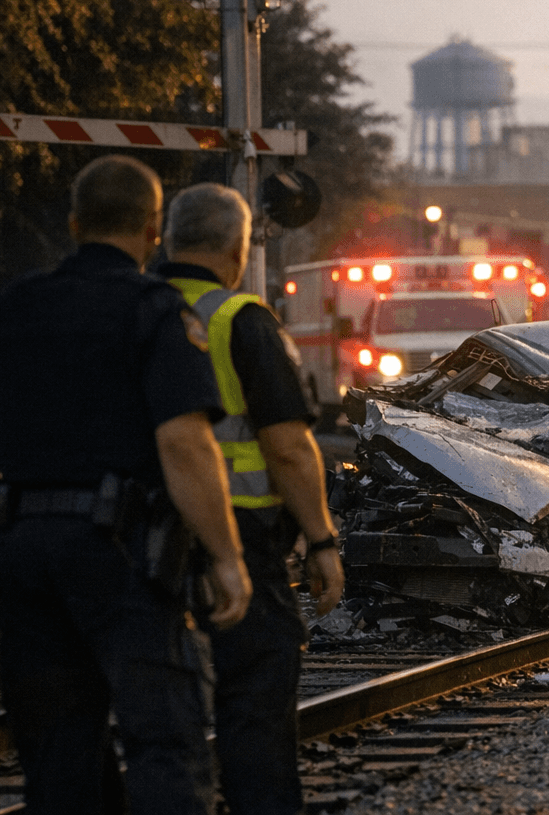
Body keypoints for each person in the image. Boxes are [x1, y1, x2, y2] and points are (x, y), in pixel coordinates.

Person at [0, 155, 251, 815]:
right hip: (123, 553)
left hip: (26, 553)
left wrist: (2, 516)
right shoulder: (153, 310)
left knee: (57, 750)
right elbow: (183, 443)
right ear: (152, 228)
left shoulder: (15, 306)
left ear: (75, 224)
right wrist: (225, 556)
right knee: (163, 738)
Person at [160, 182, 345, 815]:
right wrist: (321, 539)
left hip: (134, 538)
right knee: (254, 703)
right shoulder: (239, 319)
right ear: (240, 248)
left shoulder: (130, 309)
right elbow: (289, 447)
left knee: (156, 711)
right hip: (242, 537)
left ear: (168, 237)